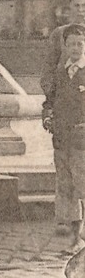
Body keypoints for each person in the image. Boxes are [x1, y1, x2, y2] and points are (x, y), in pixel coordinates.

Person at [42, 23, 85, 251]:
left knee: (83, 186)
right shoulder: (60, 74)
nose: (76, 48)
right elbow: (49, 101)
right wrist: (47, 117)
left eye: (80, 44)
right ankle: (75, 240)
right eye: (71, 44)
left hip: (82, 142)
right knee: (67, 189)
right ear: (65, 46)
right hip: (61, 141)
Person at [41, 0, 85, 100]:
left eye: (84, 5)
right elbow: (49, 67)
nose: (81, 9)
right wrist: (52, 95)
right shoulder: (59, 33)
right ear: (70, 6)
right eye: (77, 5)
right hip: (64, 97)